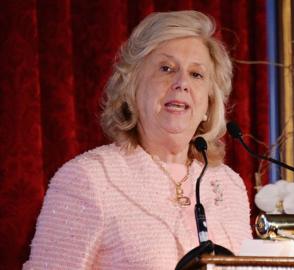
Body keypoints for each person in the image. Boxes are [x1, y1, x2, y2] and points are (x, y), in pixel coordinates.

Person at [23, 10, 252, 269]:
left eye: (196, 74)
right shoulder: (88, 178)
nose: (181, 83)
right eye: (166, 68)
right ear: (132, 87)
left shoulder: (229, 185)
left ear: (210, 102)